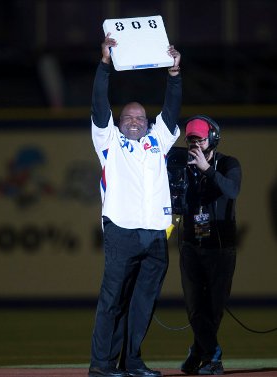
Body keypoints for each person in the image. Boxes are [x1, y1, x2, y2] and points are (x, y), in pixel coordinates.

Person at [89, 33, 182, 377]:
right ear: (119, 121)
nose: (134, 121)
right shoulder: (109, 141)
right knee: (112, 301)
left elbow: (171, 110)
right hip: (121, 231)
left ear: (148, 123)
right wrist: (104, 67)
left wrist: (174, 75)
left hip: (155, 235)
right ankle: (101, 365)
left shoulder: (156, 140)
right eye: (129, 117)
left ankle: (132, 361)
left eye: (141, 118)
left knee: (143, 304)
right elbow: (100, 104)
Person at [178, 115, 242, 375]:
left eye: (200, 138)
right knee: (195, 307)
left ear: (212, 137)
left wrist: (207, 169)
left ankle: (197, 352)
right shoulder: (184, 165)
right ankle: (212, 357)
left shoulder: (228, 163)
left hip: (221, 246)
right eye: (191, 139)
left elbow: (232, 190)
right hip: (192, 243)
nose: (195, 144)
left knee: (213, 309)